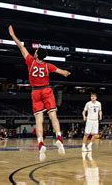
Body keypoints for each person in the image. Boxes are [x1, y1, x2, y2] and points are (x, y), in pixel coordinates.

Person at [8, 25, 71, 161]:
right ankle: (59, 138)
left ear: (36, 55)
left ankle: (41, 143)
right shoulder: (48, 66)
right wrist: (66, 73)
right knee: (53, 115)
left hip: (35, 92)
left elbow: (21, 47)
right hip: (47, 90)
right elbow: (62, 72)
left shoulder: (30, 61)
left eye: (35, 51)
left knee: (39, 119)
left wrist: (13, 36)